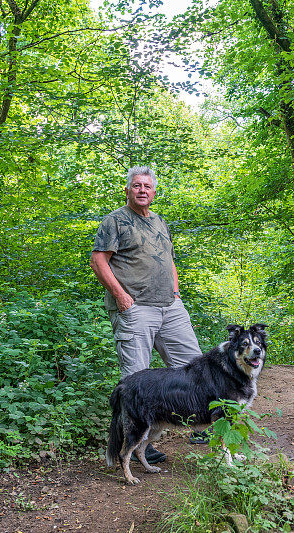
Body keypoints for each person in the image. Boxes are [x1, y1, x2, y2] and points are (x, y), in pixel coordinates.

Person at [90, 166, 206, 464]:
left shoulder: (158, 222)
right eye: (137, 185)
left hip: (170, 307)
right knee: (136, 380)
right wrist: (120, 296)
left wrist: (177, 295)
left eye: (148, 186)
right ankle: (136, 445)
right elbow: (99, 260)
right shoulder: (114, 221)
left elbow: (169, 262)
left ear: (154, 192)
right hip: (135, 309)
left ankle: (200, 422)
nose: (142, 190)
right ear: (127, 190)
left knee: (194, 368)